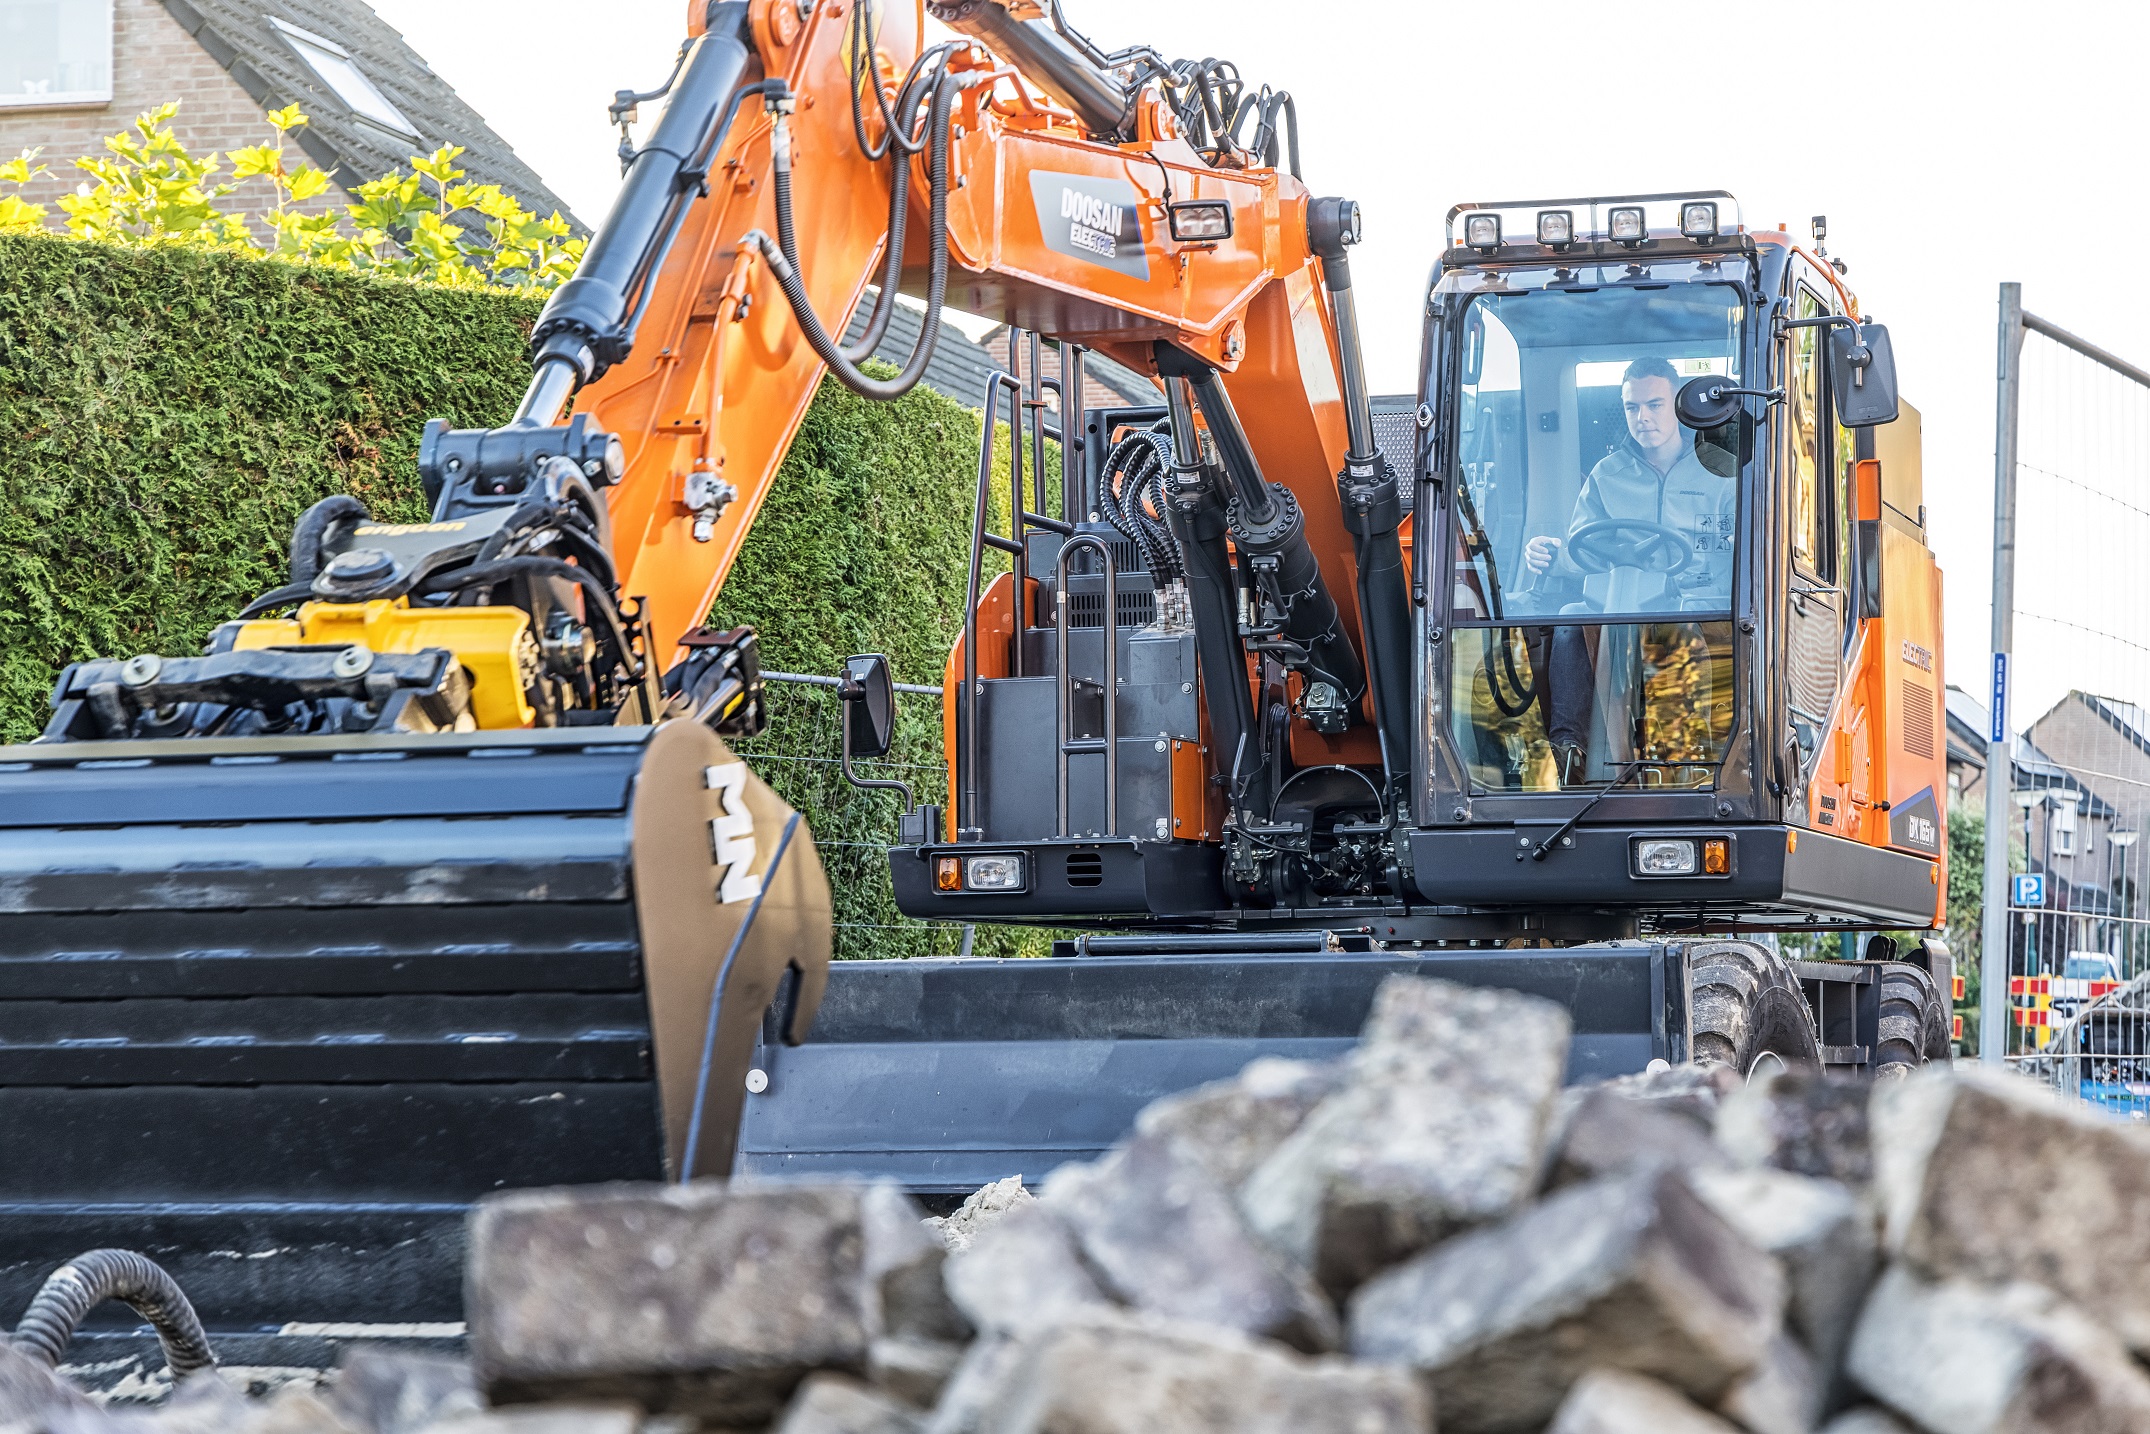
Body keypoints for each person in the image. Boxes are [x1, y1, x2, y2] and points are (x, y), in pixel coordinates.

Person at [1521, 356, 1736, 781]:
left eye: (1654, 405)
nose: (1643, 418)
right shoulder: (1607, 475)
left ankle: (1681, 755)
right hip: (1619, 607)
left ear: (1677, 404)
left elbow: (1744, 554)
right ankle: (1568, 749)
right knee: (1569, 619)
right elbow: (1583, 550)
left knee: (1676, 625)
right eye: (1632, 407)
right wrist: (1545, 552)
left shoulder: (1721, 474)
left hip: (1699, 608)